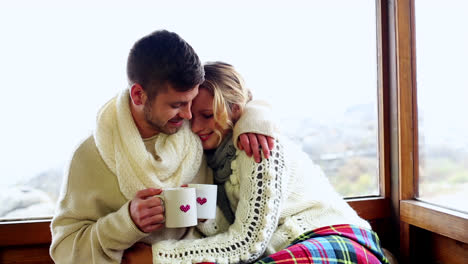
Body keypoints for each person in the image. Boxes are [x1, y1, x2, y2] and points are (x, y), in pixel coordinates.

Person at [49, 30, 273, 264]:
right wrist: (126, 223)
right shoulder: (89, 156)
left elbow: (233, 101)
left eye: (191, 102)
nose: (188, 115)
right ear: (138, 95)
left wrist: (255, 119)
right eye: (177, 105)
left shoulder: (197, 132)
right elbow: (65, 251)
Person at [149, 62, 390, 264]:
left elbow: (248, 243)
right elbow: (231, 232)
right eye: (192, 118)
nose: (198, 127)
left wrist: (156, 257)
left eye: (208, 115)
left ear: (235, 109)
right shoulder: (210, 159)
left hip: (332, 237)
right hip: (284, 250)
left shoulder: (257, 146)